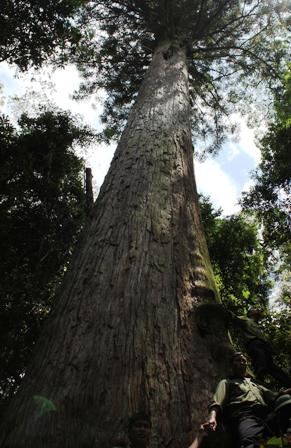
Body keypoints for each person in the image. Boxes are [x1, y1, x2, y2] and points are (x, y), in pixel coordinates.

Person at [202, 352, 291, 448]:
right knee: (250, 442)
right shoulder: (227, 382)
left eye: (244, 361)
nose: (242, 362)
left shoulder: (256, 385)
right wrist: (212, 417)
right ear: (232, 365)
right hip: (245, 415)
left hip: (266, 415)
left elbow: (276, 396)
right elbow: (217, 401)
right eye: (238, 360)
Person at [230, 308, 291, 388]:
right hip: (254, 343)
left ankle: (287, 382)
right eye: (255, 310)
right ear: (250, 313)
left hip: (263, 344)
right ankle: (260, 379)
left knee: (271, 366)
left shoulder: (256, 324)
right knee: (260, 362)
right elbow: (233, 317)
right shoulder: (245, 319)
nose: (258, 311)